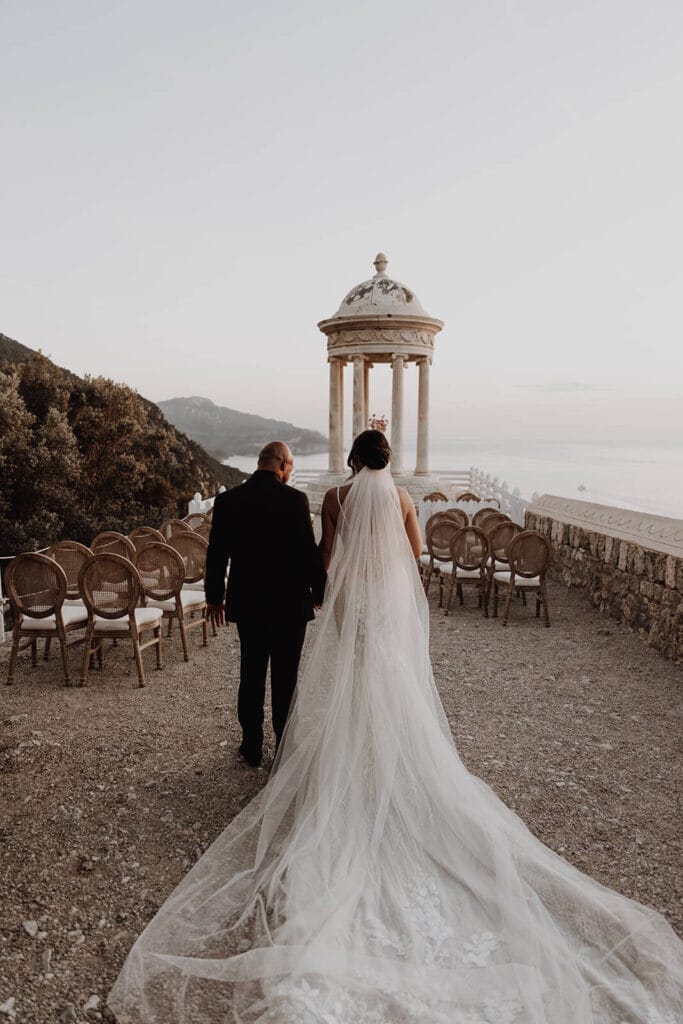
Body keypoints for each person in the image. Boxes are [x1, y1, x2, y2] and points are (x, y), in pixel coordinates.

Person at [109, 431, 683, 1023]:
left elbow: (322, 556)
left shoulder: (329, 498)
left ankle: (272, 750)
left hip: (324, 603)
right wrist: (336, 586)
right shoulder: (401, 501)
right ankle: (374, 761)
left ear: (354, 460)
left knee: (283, 678)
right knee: (378, 688)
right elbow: (409, 556)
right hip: (381, 604)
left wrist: (322, 590)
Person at [204, 440, 326, 767]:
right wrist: (320, 592)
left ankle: (252, 745)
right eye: (291, 468)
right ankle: (283, 747)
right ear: (283, 465)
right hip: (290, 605)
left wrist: (214, 598)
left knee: (252, 672)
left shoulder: (229, 500)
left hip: (249, 602)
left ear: (260, 462)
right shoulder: (295, 500)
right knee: (286, 678)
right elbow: (308, 554)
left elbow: (216, 554)